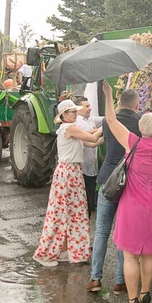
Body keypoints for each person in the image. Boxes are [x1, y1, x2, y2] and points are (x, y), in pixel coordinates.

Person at [86, 89, 152, 296]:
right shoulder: (140, 124)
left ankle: (95, 278)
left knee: (102, 232)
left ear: (119, 103)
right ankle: (120, 282)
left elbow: (109, 117)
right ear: (137, 105)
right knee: (125, 237)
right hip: (131, 187)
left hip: (109, 181)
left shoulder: (110, 122)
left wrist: (108, 96)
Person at [33, 100, 102, 267]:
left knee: (71, 212)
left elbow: (91, 141)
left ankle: (65, 250)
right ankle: (44, 254)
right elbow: (92, 136)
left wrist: (106, 135)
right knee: (60, 213)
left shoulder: (71, 129)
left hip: (73, 172)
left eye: (74, 111)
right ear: (63, 115)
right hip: (68, 173)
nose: (75, 114)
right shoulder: (68, 128)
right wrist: (107, 127)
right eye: (72, 112)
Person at [74, 96, 103, 217]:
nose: (90, 108)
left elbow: (104, 120)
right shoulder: (78, 122)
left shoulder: (90, 119)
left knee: (91, 187)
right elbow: (90, 140)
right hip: (83, 164)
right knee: (84, 191)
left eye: (89, 106)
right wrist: (101, 132)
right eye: (87, 106)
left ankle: (90, 208)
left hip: (92, 163)